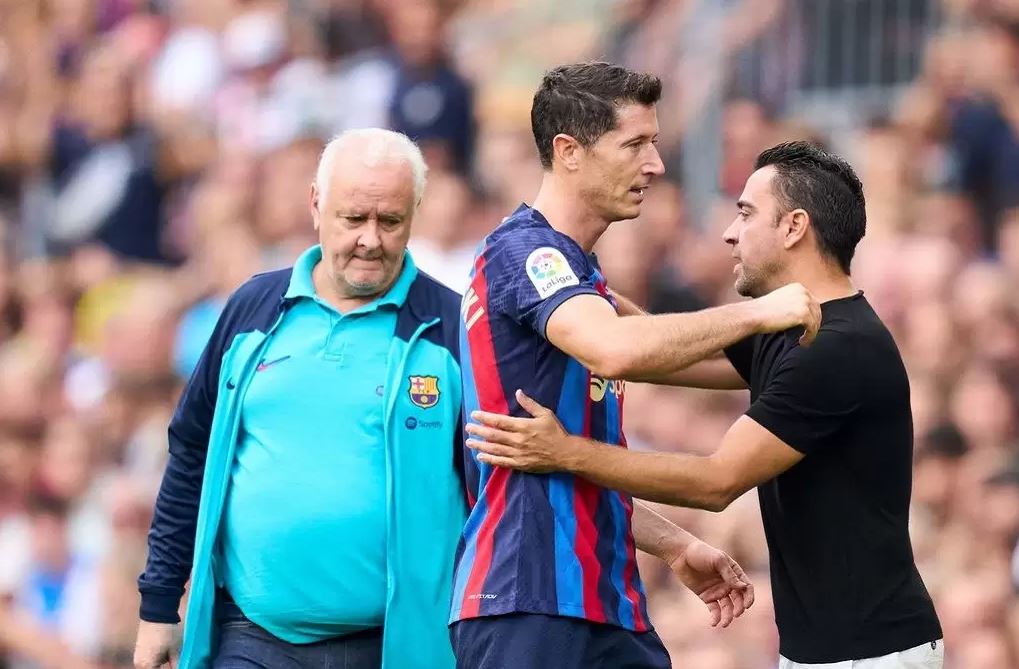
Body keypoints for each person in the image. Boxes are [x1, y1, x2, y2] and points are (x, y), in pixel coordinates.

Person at [465, 141, 946, 669]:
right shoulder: (792, 333)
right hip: (832, 649)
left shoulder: (838, 348)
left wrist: (566, 452)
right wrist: (575, 290)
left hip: (870, 653)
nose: (729, 232)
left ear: (794, 228)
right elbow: (655, 354)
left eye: (746, 213)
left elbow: (715, 481)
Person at [451, 63, 822, 669]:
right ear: (569, 151)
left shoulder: (581, 278)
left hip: (604, 601)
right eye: (635, 144)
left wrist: (672, 543)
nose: (656, 164)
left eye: (654, 142)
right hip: (527, 596)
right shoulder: (525, 252)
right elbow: (617, 348)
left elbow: (710, 367)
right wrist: (759, 313)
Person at [133, 128, 469, 669]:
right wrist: (158, 606)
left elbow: (491, 496)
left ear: (415, 213)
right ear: (316, 204)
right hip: (250, 635)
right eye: (353, 218)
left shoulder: (451, 330)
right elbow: (190, 454)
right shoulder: (254, 308)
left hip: (393, 648)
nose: (370, 239)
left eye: (390, 221)